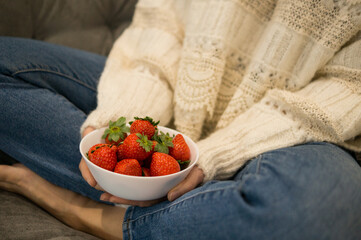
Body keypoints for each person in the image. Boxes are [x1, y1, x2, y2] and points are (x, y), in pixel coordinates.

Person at [1, 0, 361, 239]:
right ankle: (196, 209)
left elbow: (351, 86)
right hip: (170, 87)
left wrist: (217, 155)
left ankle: (93, 212)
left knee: (318, 211)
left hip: (294, 132)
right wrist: (119, 123)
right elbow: (161, 26)